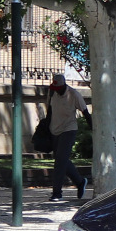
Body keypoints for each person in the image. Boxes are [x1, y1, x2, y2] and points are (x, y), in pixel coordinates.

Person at [47, 73, 90, 202]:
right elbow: (49, 110)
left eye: (58, 89)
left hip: (69, 129)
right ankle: (80, 181)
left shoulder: (74, 94)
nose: (56, 91)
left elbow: (85, 112)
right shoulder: (52, 93)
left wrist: (93, 128)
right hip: (55, 130)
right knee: (62, 160)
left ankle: (57, 193)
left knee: (60, 161)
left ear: (63, 85)